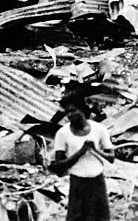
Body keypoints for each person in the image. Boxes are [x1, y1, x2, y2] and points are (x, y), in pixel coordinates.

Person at [52, 93, 114, 221]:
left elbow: (111, 157)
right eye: (67, 112)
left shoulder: (99, 129)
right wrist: (80, 152)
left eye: (73, 111)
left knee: (100, 218)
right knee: (76, 217)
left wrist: (96, 150)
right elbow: (58, 165)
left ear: (82, 110)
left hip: (97, 181)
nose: (69, 115)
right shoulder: (62, 134)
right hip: (77, 181)